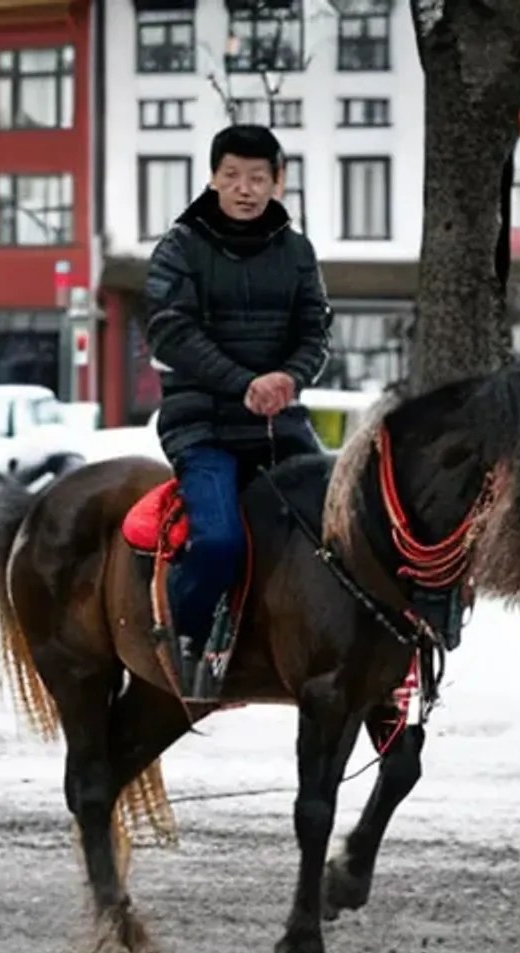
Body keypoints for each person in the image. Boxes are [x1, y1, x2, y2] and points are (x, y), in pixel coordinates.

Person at [144, 124, 332, 691]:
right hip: (201, 424)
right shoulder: (180, 246)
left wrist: (289, 377)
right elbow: (168, 332)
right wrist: (245, 381)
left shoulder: (298, 251)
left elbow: (315, 333)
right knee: (220, 539)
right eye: (230, 176)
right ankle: (186, 640)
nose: (243, 189)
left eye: (256, 177)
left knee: (340, 533)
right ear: (212, 178)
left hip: (278, 424)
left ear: (279, 181)